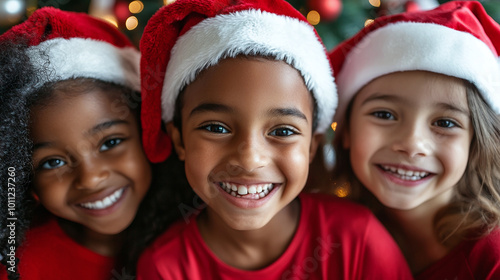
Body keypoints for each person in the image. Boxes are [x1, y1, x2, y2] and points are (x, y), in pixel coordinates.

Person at [136, 0, 413, 279]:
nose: (249, 159)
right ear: (179, 139)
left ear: (312, 146)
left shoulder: (358, 240)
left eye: (282, 132)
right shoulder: (164, 267)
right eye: (216, 128)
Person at [0, 7, 189, 280]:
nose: (90, 179)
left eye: (110, 142)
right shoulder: (18, 267)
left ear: (147, 130)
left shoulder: (197, 236)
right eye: (53, 162)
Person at [329, 1, 500, 279]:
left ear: (476, 143)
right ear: (346, 129)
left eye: (445, 123)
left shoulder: (491, 258)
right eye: (384, 114)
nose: (411, 144)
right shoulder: (335, 237)